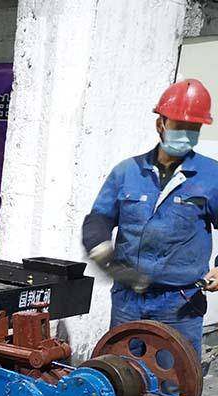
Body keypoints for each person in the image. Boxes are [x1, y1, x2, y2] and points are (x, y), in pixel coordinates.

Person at [82, 78, 218, 360]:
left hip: (180, 304)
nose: (186, 134)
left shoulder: (211, 177)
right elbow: (99, 219)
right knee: (122, 373)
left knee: (175, 379)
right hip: (128, 299)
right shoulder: (127, 172)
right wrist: (103, 251)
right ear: (160, 124)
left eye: (193, 128)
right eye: (179, 126)